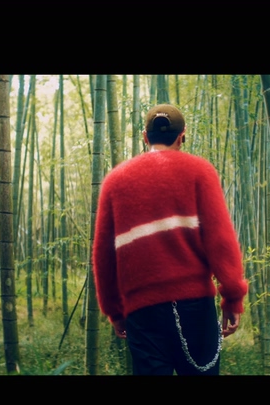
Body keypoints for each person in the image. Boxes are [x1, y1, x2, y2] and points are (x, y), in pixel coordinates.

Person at [92, 103, 248, 375]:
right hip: (195, 308)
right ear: (182, 135)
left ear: (145, 136)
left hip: (142, 313)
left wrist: (114, 310)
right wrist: (233, 298)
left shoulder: (115, 182)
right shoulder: (200, 172)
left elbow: (103, 256)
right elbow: (220, 241)